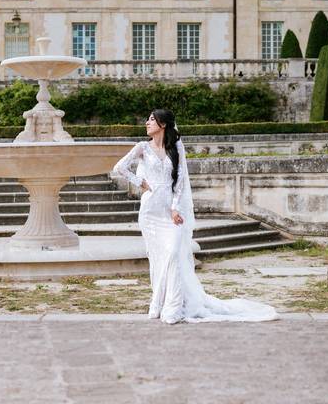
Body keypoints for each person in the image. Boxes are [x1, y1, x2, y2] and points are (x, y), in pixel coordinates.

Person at [112, 109, 278, 324]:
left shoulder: (176, 147)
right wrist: (140, 183)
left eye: (151, 120)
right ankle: (160, 303)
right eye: (148, 119)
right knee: (159, 258)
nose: (147, 123)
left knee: (173, 253)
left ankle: (174, 306)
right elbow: (119, 167)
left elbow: (180, 180)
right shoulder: (142, 147)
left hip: (170, 209)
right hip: (150, 210)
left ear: (163, 124)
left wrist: (174, 208)